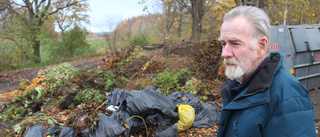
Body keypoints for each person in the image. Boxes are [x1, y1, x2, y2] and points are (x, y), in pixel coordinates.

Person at [216, 6, 316, 136]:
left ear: (261, 46)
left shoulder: (289, 97)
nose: (225, 53)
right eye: (223, 44)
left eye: (235, 43)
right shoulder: (239, 85)